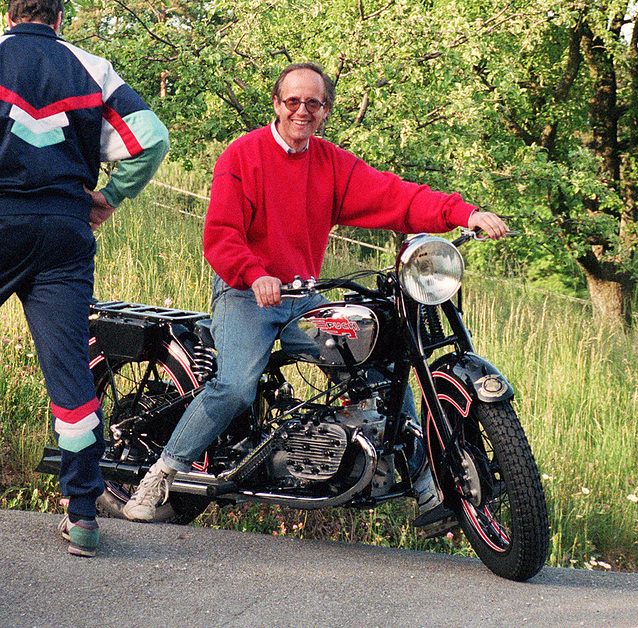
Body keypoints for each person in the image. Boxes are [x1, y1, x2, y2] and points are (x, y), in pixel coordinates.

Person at [123, 62, 508, 532]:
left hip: (303, 297)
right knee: (237, 385)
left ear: (325, 110)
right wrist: (254, 274)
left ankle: (425, 485)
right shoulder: (242, 157)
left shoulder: (330, 163)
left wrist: (463, 212)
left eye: (314, 103)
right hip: (246, 292)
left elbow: (396, 196)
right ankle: (161, 475)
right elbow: (222, 235)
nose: (302, 111)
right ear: (276, 104)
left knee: (383, 366)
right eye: (293, 101)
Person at [0, 0, 170, 556]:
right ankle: (81, 517)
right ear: (61, 16)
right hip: (66, 231)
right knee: (71, 371)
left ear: (8, 13)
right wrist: (110, 196)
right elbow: (150, 137)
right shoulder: (92, 69)